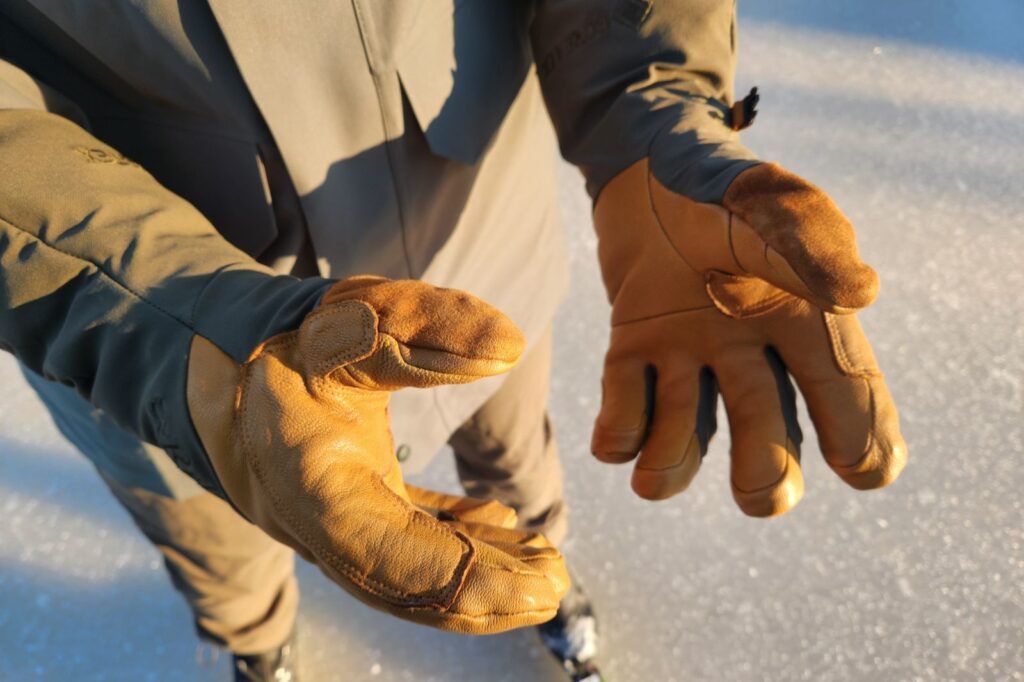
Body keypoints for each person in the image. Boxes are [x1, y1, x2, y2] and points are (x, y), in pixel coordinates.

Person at [0, 2, 907, 680]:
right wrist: (170, 318)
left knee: (516, 459)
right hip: (149, 336)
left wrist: (650, 110)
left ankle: (543, 582)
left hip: (477, 245)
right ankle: (257, 645)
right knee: (223, 542)